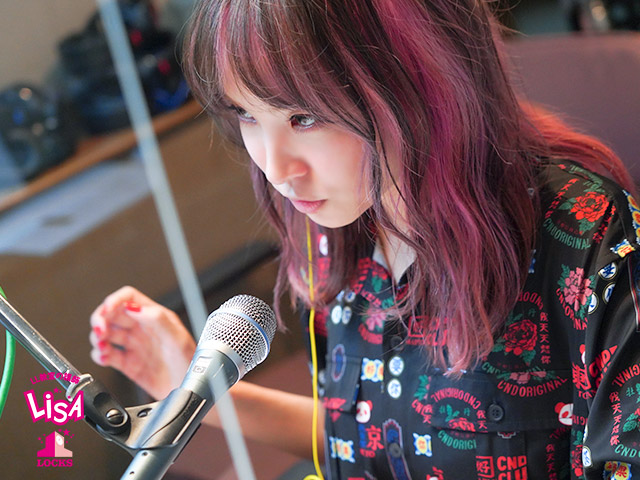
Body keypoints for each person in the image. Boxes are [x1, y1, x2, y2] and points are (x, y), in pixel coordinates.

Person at [89, 0, 640, 478]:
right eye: (246, 115)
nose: (276, 169)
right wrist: (195, 385)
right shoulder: (340, 226)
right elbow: (367, 436)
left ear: (421, 75)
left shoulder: (592, 246)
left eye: (304, 118)